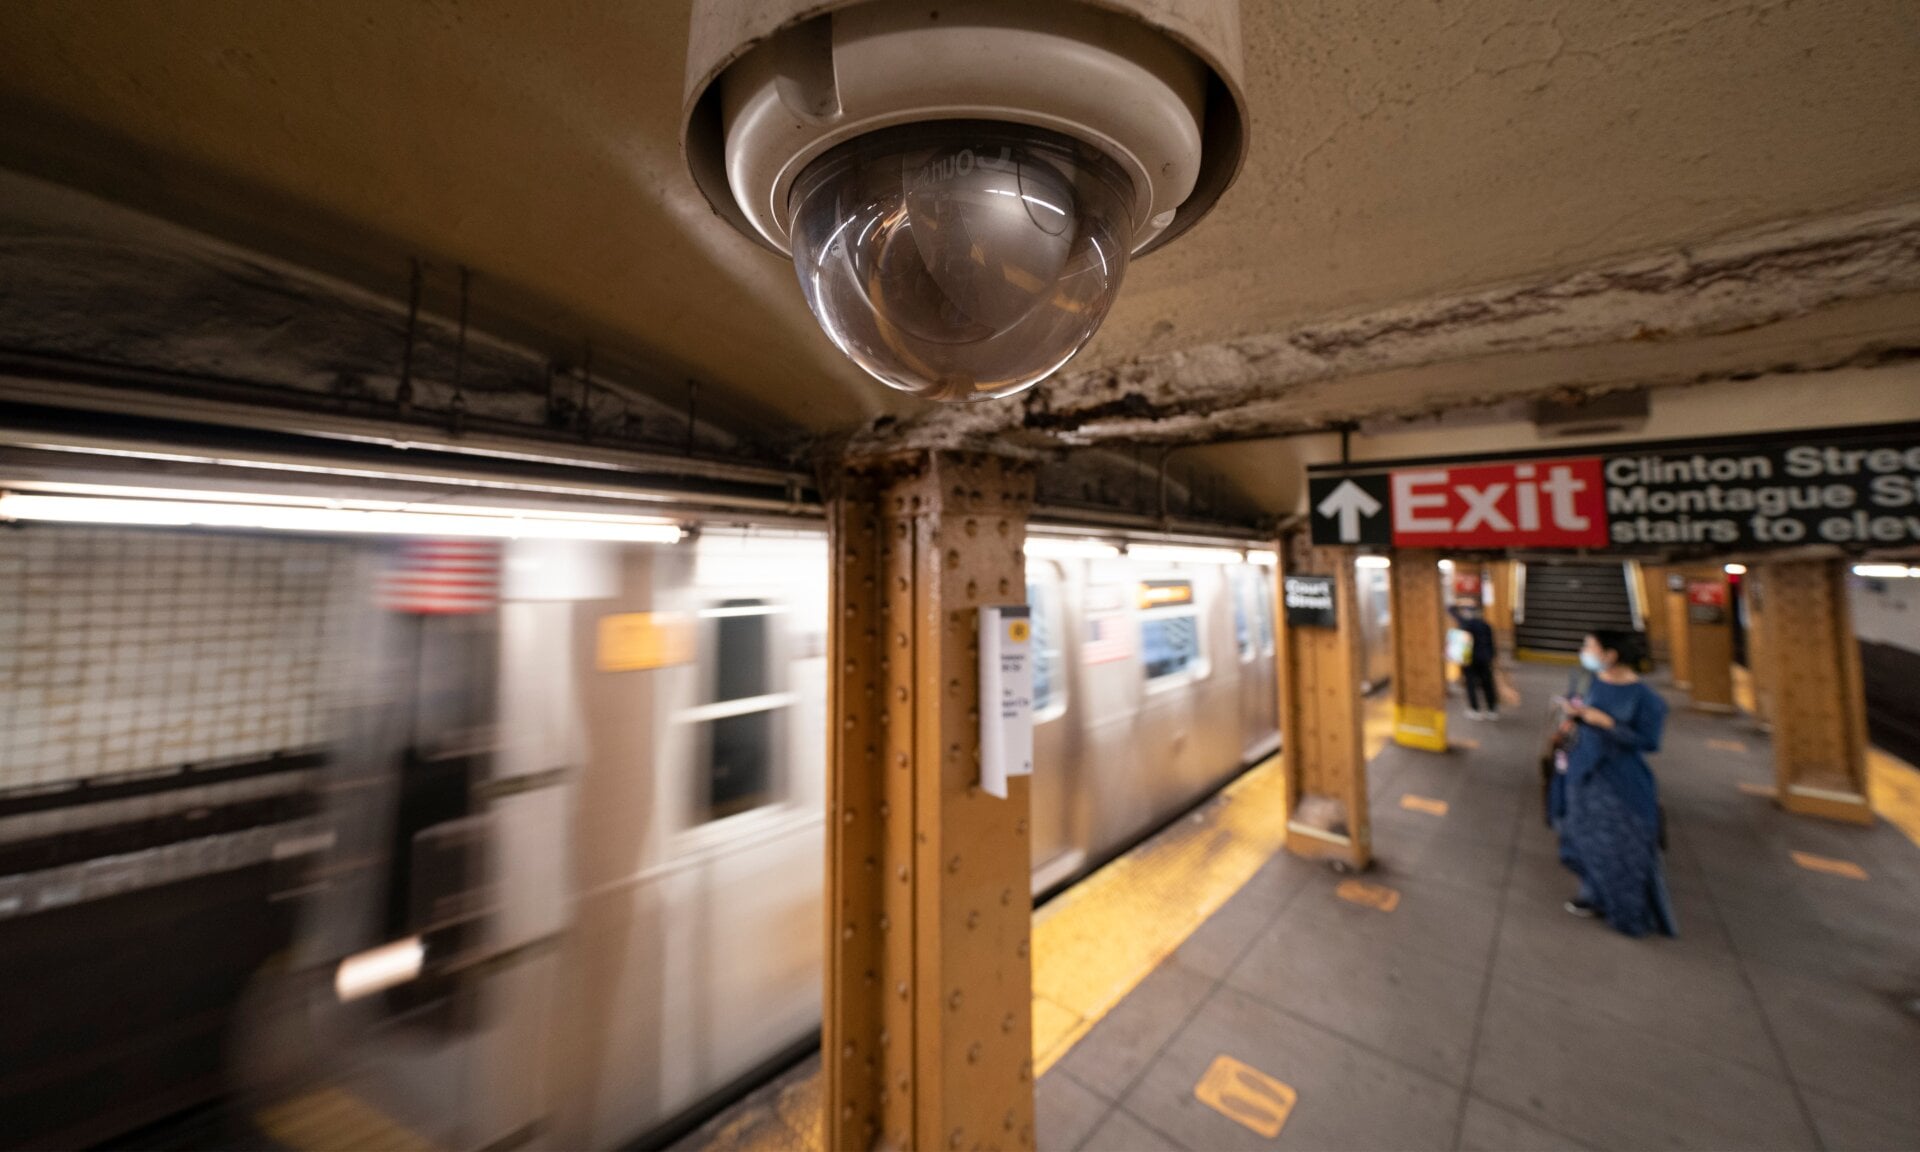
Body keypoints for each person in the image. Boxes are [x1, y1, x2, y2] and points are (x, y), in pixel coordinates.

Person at [1553, 629, 1676, 937]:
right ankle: (1592, 893)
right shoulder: (1587, 681)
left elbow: (1649, 742)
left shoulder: (1647, 699)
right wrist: (1573, 716)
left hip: (1620, 779)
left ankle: (1626, 911)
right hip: (1582, 769)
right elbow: (1579, 716)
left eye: (1590, 646)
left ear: (1611, 655)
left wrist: (1608, 723)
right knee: (1580, 835)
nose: (1584, 651)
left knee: (1620, 846)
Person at [1450, 600, 1499, 719]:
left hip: (1470, 659)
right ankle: (1492, 709)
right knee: (1487, 683)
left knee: (1470, 684)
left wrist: (1458, 603)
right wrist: (1492, 656)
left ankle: (1475, 709)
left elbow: (1451, 610)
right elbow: (1491, 643)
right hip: (1485, 658)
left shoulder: (1465, 625)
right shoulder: (1486, 625)